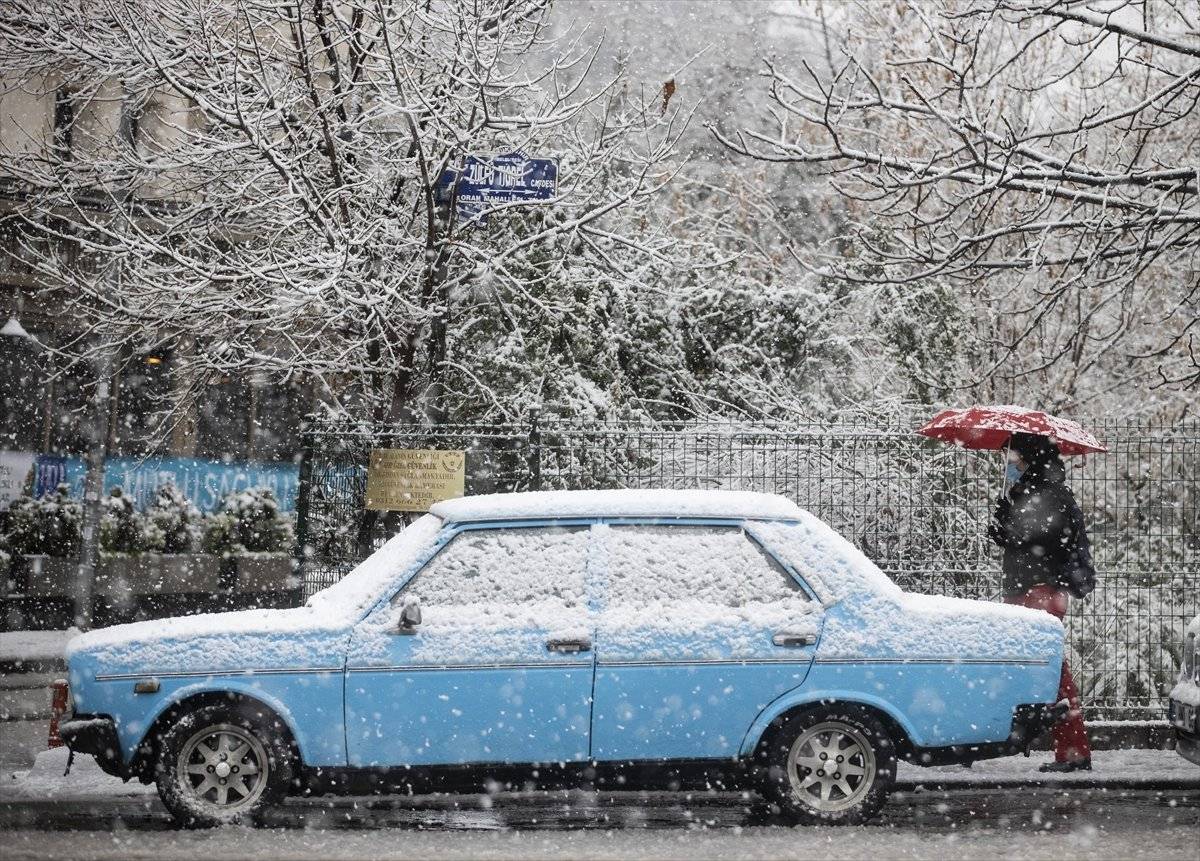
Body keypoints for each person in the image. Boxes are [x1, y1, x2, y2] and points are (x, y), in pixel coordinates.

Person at [988, 431, 1093, 772]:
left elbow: (1044, 540)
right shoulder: (1034, 490)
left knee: (1051, 669)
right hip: (1029, 588)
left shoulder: (1046, 493)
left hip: (1039, 591)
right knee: (1039, 667)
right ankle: (1065, 747)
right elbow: (1031, 539)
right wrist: (1006, 525)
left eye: (1014, 457)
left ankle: (1074, 751)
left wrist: (1009, 526)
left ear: (1029, 457)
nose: (1010, 464)